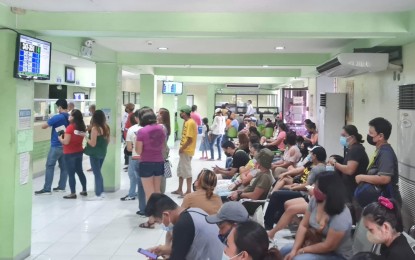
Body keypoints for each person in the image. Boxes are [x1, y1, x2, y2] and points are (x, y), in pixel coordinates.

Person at [280, 172, 353, 260]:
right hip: (317, 243)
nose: (314, 188)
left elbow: (328, 246)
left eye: (317, 187)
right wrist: (294, 250)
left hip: (337, 254)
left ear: (328, 191)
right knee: (284, 251)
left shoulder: (341, 215)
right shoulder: (315, 200)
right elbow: (303, 225)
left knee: (299, 258)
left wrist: (302, 250)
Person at [264, 146, 327, 230]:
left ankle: (268, 223)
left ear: (315, 156)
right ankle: (277, 217)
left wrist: (294, 188)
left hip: (306, 194)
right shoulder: (322, 167)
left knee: (277, 194)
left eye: (311, 154)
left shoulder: (316, 169)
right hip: (307, 192)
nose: (310, 156)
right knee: (281, 192)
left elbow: (307, 185)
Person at [145, 193, 224, 260]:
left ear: (166, 215)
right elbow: (186, 247)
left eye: (158, 221)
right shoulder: (194, 211)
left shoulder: (182, 225)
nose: (160, 224)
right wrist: (163, 250)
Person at [355, 117, 402, 207]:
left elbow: (385, 178)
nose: (368, 135)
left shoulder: (386, 153)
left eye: (371, 133)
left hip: (387, 202)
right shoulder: (380, 150)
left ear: (380, 136)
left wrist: (361, 177)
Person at [328, 125, 369, 220]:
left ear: (352, 137)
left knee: (352, 216)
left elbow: (349, 170)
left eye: (344, 135)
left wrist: (334, 163)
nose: (341, 138)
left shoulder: (356, 150)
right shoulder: (352, 149)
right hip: (349, 188)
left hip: (353, 190)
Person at [35, 99, 69, 195]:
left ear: (60, 107)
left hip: (56, 146)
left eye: (57, 107)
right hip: (65, 145)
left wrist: (50, 120)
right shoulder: (70, 117)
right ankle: (62, 187)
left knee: (50, 166)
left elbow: (44, 126)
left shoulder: (57, 117)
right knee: (64, 167)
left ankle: (47, 189)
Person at [135, 109, 166, 209]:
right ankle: (159, 215)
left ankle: (152, 219)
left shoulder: (141, 131)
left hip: (146, 163)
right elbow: (164, 147)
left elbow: (138, 151)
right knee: (157, 191)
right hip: (159, 162)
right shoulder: (162, 129)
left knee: (149, 193)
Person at [58, 109, 87, 199]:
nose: (68, 117)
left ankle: (73, 193)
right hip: (79, 151)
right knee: (80, 171)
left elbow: (66, 142)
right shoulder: (82, 127)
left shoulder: (70, 127)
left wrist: (60, 138)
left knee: (71, 173)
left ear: (74, 117)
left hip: (69, 153)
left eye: (70, 115)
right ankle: (84, 190)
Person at [171, 105, 197, 198]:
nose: (180, 114)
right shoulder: (187, 122)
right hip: (184, 150)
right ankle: (179, 189)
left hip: (186, 150)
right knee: (181, 170)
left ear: (185, 113)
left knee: (186, 171)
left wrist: (182, 149)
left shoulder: (190, 123)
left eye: (181, 112)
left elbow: (190, 139)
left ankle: (188, 191)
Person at [84, 110, 110, 200]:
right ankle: (101, 192)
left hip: (95, 154)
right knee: (98, 173)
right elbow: (108, 141)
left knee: (97, 173)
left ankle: (98, 194)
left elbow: (92, 143)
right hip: (103, 152)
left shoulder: (95, 128)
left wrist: (85, 136)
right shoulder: (106, 127)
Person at [120, 111, 141, 201]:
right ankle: (142, 193)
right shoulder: (152, 128)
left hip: (135, 156)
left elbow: (129, 148)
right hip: (149, 158)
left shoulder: (132, 129)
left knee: (132, 175)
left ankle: (132, 193)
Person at [158, 107, 172, 194]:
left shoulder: (161, 127)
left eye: (158, 113)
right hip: (163, 152)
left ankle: (160, 193)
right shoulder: (165, 126)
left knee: (160, 174)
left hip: (160, 153)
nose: (156, 115)